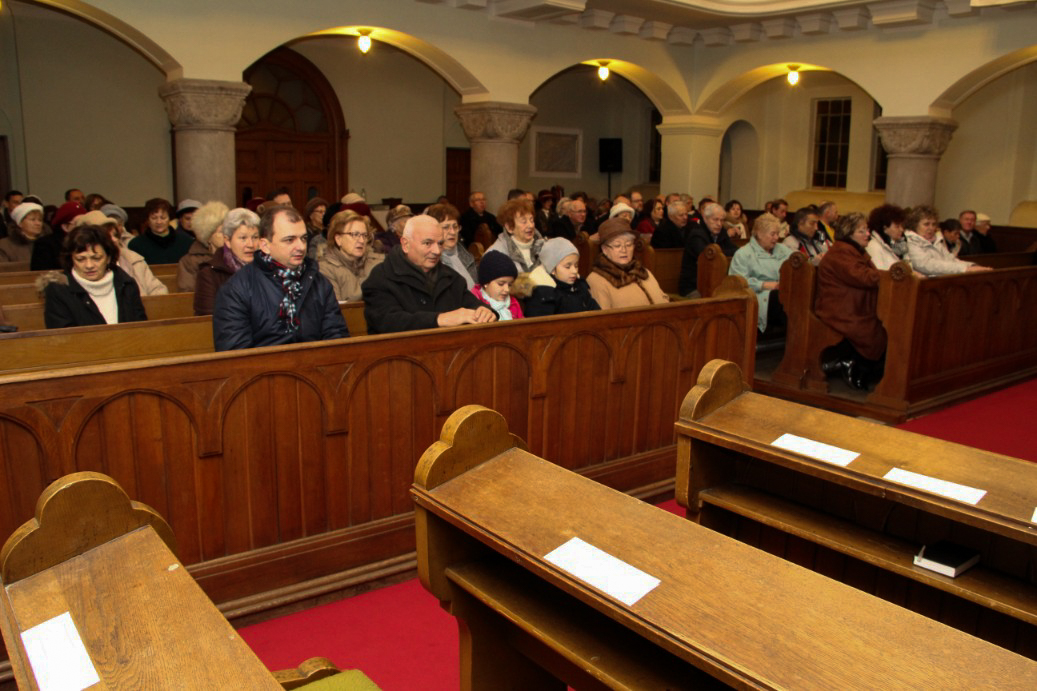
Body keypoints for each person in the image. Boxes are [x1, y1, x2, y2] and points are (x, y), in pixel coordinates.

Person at [212, 206, 349, 351]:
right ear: (265, 245)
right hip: (264, 365)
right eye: (289, 240)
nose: (301, 246)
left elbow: (337, 338)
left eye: (303, 238)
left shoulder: (318, 282)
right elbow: (236, 354)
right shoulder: (237, 289)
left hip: (315, 363)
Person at [362, 214, 495, 334]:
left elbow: (474, 305)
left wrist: (484, 311)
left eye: (440, 244)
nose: (437, 251)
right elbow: (387, 322)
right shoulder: (381, 277)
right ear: (405, 244)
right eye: (427, 243)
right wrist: (440, 319)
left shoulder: (451, 277)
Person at [815, 212, 886, 390]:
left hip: (854, 306)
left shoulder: (854, 251)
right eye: (861, 231)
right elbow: (863, 277)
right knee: (873, 329)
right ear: (849, 233)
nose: (867, 234)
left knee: (887, 324)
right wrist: (891, 276)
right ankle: (858, 368)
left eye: (867, 230)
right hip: (839, 309)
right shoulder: (841, 253)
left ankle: (863, 365)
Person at [40, 224, 147, 329]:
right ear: (71, 259)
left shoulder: (126, 284)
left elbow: (140, 328)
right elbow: (63, 334)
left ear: (108, 258)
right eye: (80, 259)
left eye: (96, 258)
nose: (89, 265)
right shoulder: (58, 290)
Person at [72, 210, 168, 296]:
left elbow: (158, 289)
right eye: (107, 236)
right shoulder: (85, 268)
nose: (114, 239)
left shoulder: (133, 259)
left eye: (115, 235)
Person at [728, 212, 794, 333]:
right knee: (780, 296)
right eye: (772, 234)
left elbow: (797, 263)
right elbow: (736, 282)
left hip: (783, 292)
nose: (776, 238)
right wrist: (764, 285)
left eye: (777, 233)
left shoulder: (782, 249)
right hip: (758, 296)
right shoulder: (744, 253)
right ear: (759, 233)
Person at [587, 217, 669, 309]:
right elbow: (602, 317)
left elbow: (664, 299)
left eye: (628, 244)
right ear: (604, 249)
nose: (624, 250)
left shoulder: (644, 272)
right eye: (617, 245)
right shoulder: (596, 280)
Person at [194, 207, 260, 316]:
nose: (251, 244)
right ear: (227, 241)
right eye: (243, 238)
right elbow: (208, 318)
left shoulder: (267, 268)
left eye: (255, 237)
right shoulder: (209, 274)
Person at [520, 237, 600, 317]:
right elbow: (542, 323)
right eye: (567, 267)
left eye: (576, 266)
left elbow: (597, 314)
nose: (574, 271)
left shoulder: (580, 286)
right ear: (552, 269)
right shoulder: (543, 294)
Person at [317, 209, 384, 302]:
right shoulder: (325, 269)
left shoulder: (377, 263)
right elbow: (336, 307)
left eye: (364, 235)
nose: (361, 240)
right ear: (338, 239)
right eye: (355, 234)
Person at [904, 205, 989, 276]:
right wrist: (964, 269)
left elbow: (950, 259)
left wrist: (972, 265)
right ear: (915, 225)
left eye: (934, 224)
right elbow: (926, 265)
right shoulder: (910, 241)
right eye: (926, 224)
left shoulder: (936, 240)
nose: (931, 228)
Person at [678, 202, 737, 297]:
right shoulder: (697, 235)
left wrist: (721, 252)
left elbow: (735, 250)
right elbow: (709, 256)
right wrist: (722, 253)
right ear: (705, 218)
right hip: (693, 286)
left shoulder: (721, 232)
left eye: (722, 220)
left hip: (715, 283)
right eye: (715, 219)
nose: (719, 224)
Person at [177, 201, 229, 292]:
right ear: (208, 236)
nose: (227, 235)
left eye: (228, 230)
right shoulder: (189, 262)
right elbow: (187, 293)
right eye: (221, 232)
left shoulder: (236, 255)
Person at [426, 202, 477, 289]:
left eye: (455, 227)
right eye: (446, 227)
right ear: (433, 230)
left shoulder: (466, 256)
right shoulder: (430, 262)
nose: (452, 232)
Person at [128, 197, 194, 265]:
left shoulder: (186, 242)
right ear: (147, 220)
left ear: (169, 219)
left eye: (163, 218)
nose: (159, 222)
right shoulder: (136, 245)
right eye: (154, 218)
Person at [486, 198, 544, 273]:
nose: (530, 225)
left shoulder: (542, 245)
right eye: (524, 222)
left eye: (531, 220)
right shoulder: (496, 254)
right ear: (509, 227)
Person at [31, 200, 85, 270]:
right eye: (78, 223)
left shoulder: (88, 241)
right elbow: (41, 272)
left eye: (84, 223)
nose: (83, 227)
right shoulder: (45, 245)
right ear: (65, 227)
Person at [471, 250, 523, 321]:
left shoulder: (513, 303)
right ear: (486, 283)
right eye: (501, 284)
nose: (507, 289)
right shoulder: (474, 303)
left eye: (510, 285)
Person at [865, 204, 908, 271]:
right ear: (884, 228)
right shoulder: (874, 247)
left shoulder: (896, 245)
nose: (901, 230)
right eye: (897, 226)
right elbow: (879, 273)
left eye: (901, 226)